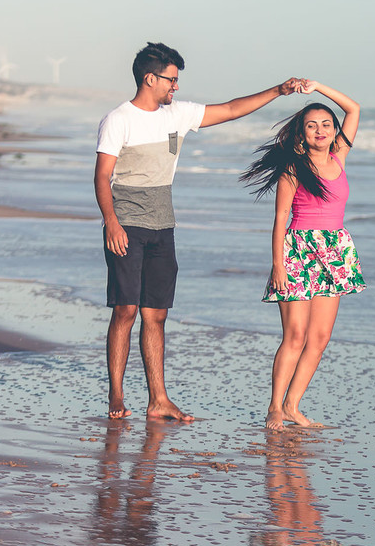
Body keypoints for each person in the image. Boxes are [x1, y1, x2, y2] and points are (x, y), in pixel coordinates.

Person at [95, 41, 299, 421]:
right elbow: (103, 175)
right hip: (126, 224)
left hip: (163, 226)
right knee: (125, 309)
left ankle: (158, 399)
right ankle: (117, 395)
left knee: (156, 314)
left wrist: (278, 90)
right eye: (171, 80)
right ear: (149, 78)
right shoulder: (118, 119)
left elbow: (233, 108)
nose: (176, 87)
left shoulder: (179, 115)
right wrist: (111, 221)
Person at [240, 80, 364, 430]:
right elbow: (280, 219)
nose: (320, 130)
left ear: (335, 131)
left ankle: (293, 406)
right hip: (298, 251)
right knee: (295, 336)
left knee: (320, 338)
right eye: (312, 125)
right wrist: (277, 265)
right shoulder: (294, 169)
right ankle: (274, 408)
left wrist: (318, 88)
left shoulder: (339, 155)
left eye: (326, 124)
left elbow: (353, 108)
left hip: (335, 253)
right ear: (301, 135)